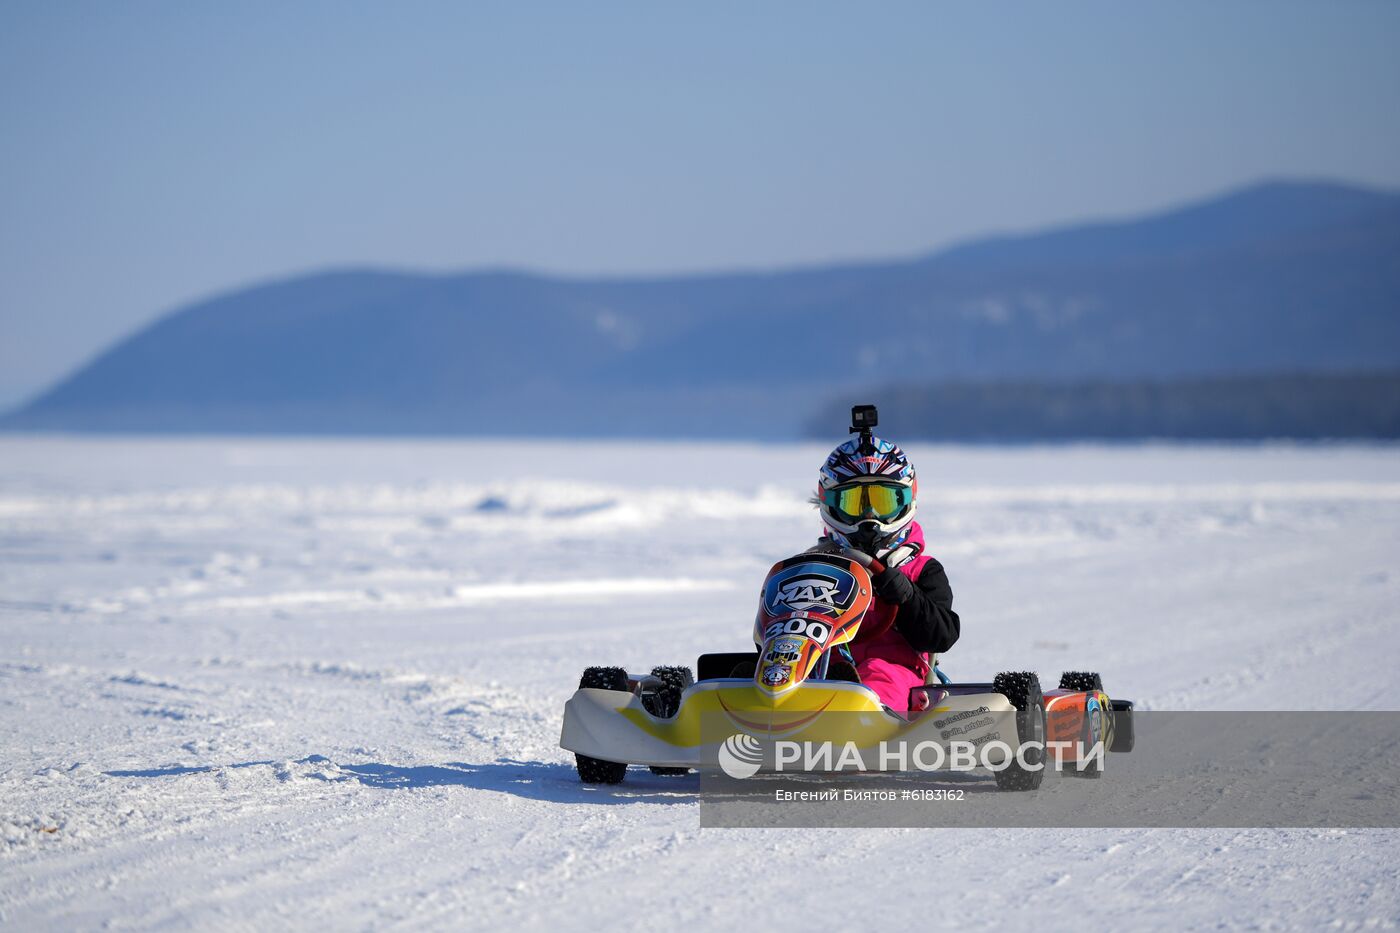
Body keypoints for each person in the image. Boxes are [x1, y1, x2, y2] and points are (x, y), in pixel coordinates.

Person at [812, 414, 960, 712]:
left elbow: (941, 635)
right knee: (789, 676)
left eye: (883, 502)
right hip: (821, 670)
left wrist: (906, 596)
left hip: (898, 677)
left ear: (906, 500)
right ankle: (746, 706)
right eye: (854, 503)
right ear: (830, 503)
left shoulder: (923, 570)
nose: (870, 517)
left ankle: (857, 711)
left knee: (876, 677)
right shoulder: (815, 567)